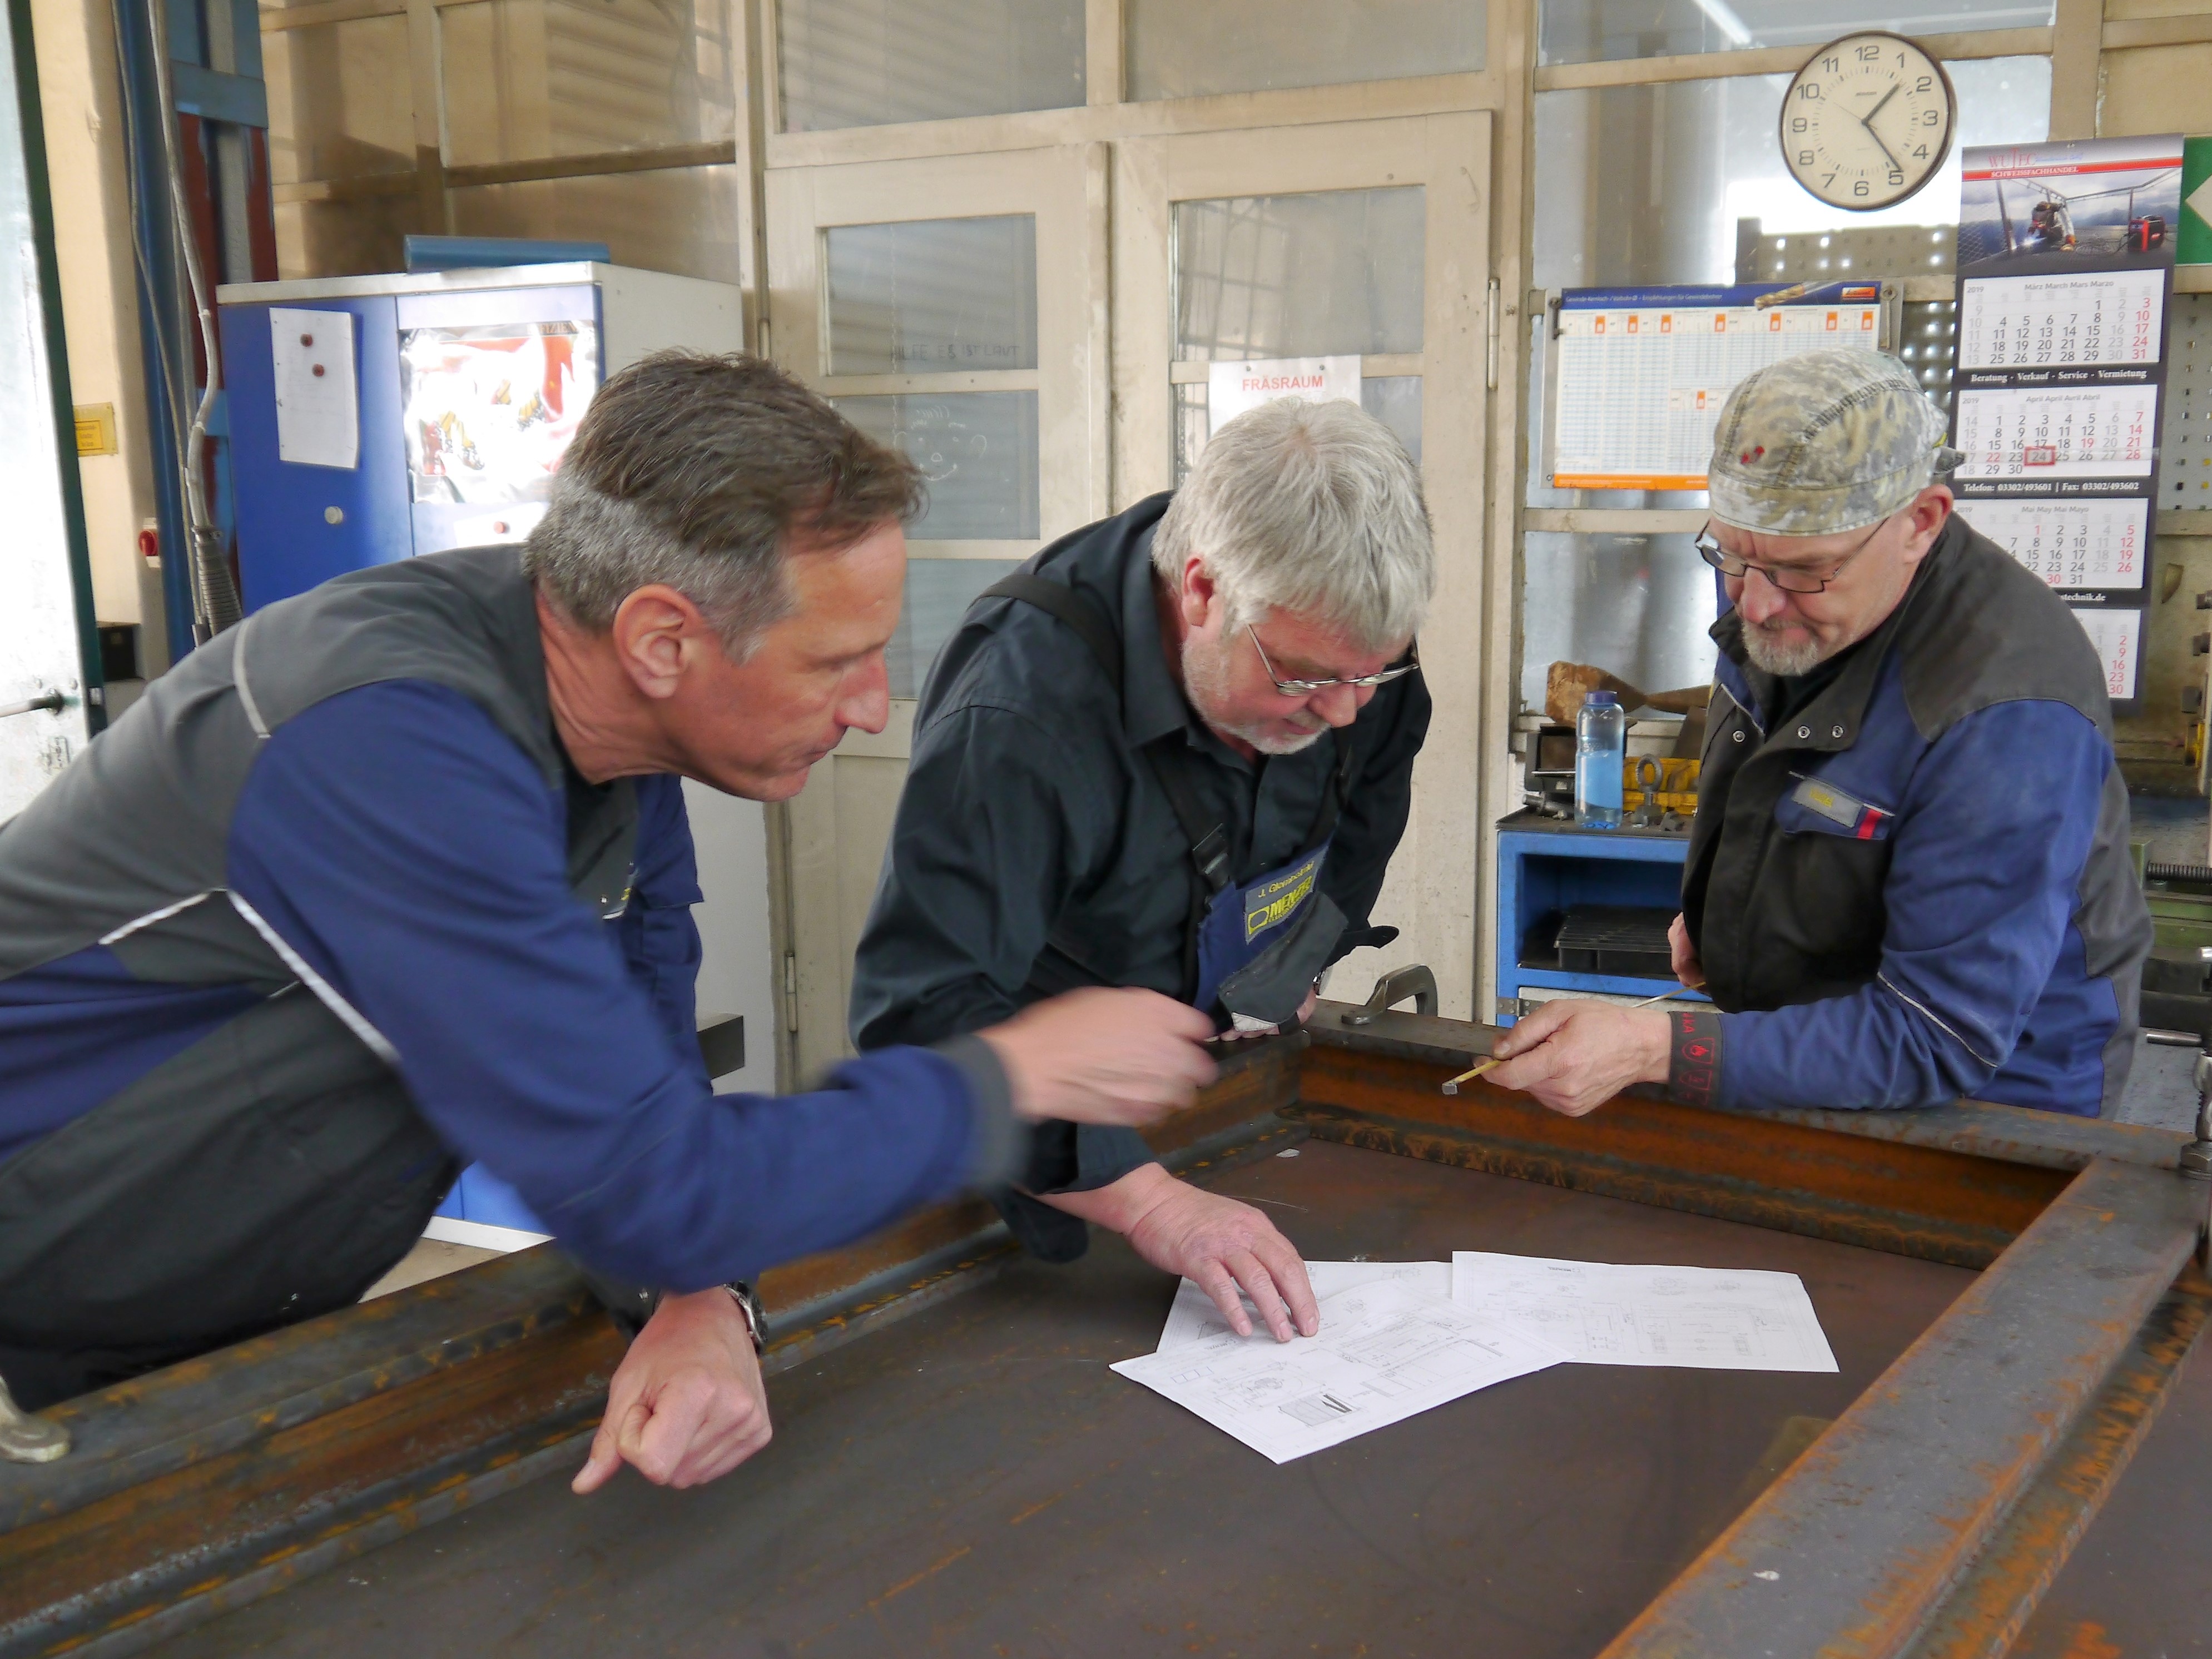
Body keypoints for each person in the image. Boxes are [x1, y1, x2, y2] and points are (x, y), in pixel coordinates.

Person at [0, 352, 1221, 1489]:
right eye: (834, 661)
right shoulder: (389, 746)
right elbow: (656, 1183)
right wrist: (1010, 1074)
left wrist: (699, 1300)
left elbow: (640, 1099)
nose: (869, 707)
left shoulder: (611, 741)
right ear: (661, 639)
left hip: (181, 1323)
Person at [851, 398, 1434, 1342]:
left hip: (1221, 1085)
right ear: (1201, 592)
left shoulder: (1340, 639)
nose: (1339, 714)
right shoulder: (1018, 717)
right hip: (1048, 1140)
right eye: (1299, 681)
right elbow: (918, 1017)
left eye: (1371, 677)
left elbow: (1366, 808)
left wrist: (1283, 974)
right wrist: (1153, 1203)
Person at [1489, 350, 2151, 1120]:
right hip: (1819, 1038)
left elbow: (1940, 1035)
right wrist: (1723, 909)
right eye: (1732, 555)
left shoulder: (2002, 712)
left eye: (1804, 570)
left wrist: (1651, 1046)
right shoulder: (1776, 570)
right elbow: (1769, 758)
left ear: (1919, 522)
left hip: (1994, 1101)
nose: (1758, 606)